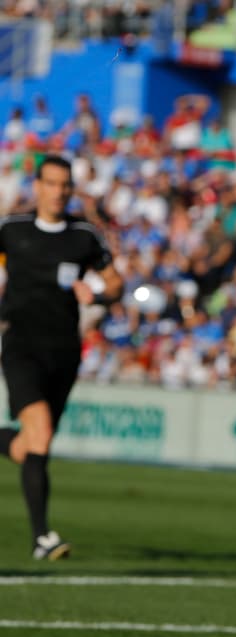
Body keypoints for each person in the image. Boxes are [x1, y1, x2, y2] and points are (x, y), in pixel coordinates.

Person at [0, 155, 123, 559]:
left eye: (64, 185)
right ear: (37, 186)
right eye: (51, 183)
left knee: (35, 444)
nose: (58, 191)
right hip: (20, 345)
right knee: (40, 431)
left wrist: (100, 295)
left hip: (65, 350)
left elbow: (116, 283)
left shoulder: (83, 236)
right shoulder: (11, 230)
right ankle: (42, 538)